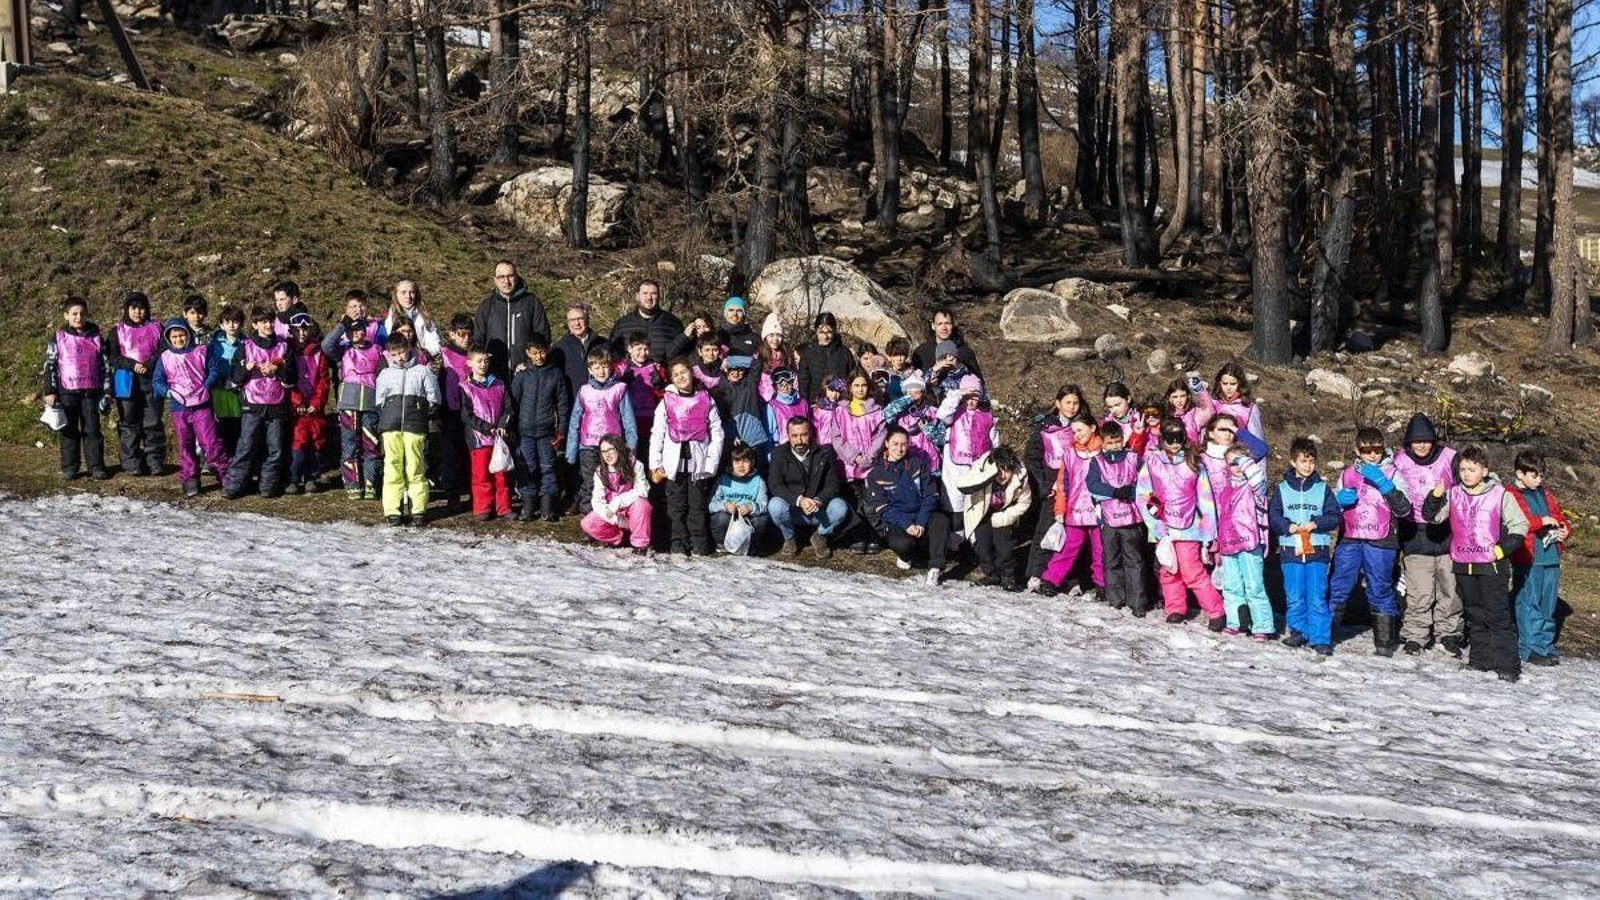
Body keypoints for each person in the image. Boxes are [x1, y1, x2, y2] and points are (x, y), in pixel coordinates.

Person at [1421, 445, 1531, 682]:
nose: (1467, 473)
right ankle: (1480, 660)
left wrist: (1502, 549)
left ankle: (1508, 665)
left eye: (1472, 469)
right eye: (1462, 469)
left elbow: (1520, 525)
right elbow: (1432, 516)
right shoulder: (1453, 493)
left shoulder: (1501, 494)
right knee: (1474, 615)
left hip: (1491, 566)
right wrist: (1436, 495)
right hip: (1463, 564)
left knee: (1497, 615)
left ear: (1485, 470)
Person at [1327, 427, 1412, 657]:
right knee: (1339, 585)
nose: (1373, 455)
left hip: (1381, 540)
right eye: (1367, 450)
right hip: (1351, 537)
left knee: (1380, 588)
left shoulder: (1394, 474)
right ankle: (1326, 634)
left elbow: (1405, 509)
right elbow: (1331, 510)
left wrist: (1385, 485)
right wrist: (1339, 500)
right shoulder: (1346, 474)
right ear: (1357, 450)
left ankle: (1385, 641)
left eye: (1377, 449)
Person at [1137, 418, 1224, 628]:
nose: (1175, 443)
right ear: (1162, 438)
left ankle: (1216, 611)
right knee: (1168, 568)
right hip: (1163, 527)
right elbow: (1142, 495)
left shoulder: (1193, 462)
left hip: (1189, 527)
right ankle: (1175, 607)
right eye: (1169, 438)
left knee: (1192, 570)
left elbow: (1205, 498)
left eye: (1179, 438)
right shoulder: (1153, 462)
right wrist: (1156, 526)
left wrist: (1207, 531)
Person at [1391, 413, 1462, 657]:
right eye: (1416, 441)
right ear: (1408, 442)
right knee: (1419, 591)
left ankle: (1448, 632)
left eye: (1426, 440)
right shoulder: (1398, 461)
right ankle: (1415, 635)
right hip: (1414, 533)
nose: (1421, 445)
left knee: (1449, 589)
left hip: (1446, 532)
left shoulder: (1450, 457)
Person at [1268, 437, 1343, 657]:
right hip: (1291, 552)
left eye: (1311, 461)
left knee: (1317, 595)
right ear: (1293, 462)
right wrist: (1286, 526)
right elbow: (1274, 516)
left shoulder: (1322, 489)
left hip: (1317, 552)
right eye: (1303, 461)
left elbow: (1334, 516)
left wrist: (1316, 523)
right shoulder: (1282, 489)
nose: (1307, 466)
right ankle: (1299, 631)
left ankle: (1320, 638)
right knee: (1294, 595)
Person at [650, 358, 725, 556]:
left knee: (697, 505)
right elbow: (657, 433)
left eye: (684, 372)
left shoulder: (705, 399)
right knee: (676, 506)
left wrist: (711, 462)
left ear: (691, 373)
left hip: (698, 463)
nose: (681, 377)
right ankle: (678, 543)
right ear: (672, 379)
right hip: (673, 463)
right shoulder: (666, 401)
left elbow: (717, 432)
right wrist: (655, 463)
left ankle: (699, 542)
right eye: (676, 374)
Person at [223, 306, 297, 499]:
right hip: (252, 404)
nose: (268, 325)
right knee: (245, 446)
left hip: (277, 404)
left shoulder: (284, 346)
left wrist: (277, 371)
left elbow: (292, 377)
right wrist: (245, 370)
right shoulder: (245, 347)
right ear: (255, 325)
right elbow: (234, 378)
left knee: (275, 449)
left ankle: (267, 485)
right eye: (263, 321)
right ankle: (234, 485)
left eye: (271, 321)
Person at [152, 318, 230, 498]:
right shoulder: (164, 358)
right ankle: (190, 478)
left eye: (182, 335)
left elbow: (214, 369)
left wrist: (207, 385)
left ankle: (224, 475)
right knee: (185, 443)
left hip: (201, 404)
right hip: (179, 407)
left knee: (211, 442)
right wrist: (167, 392)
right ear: (169, 338)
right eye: (174, 336)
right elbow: (157, 380)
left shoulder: (201, 350)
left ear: (188, 334)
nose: (179, 339)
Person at [1023, 385, 1092, 586]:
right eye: (1068, 402)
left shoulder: (1084, 425)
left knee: (1075, 534)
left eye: (1076, 403)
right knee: (1046, 530)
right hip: (1053, 488)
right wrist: (1044, 484)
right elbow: (1032, 457)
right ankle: (1036, 573)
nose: (1072, 407)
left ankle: (1071, 578)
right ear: (1058, 403)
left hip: (1079, 489)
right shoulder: (1045, 427)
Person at [866, 426, 950, 586]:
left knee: (941, 520)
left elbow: (930, 496)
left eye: (904, 444)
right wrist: (907, 524)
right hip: (898, 521)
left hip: (921, 516)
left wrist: (920, 522)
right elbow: (883, 508)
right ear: (886, 444)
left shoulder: (918, 465)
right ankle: (906, 556)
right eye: (895, 444)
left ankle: (935, 568)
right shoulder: (876, 474)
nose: (899, 449)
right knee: (903, 544)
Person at [1508, 451, 1570, 667]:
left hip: (1551, 556)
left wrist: (1564, 529)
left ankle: (1545, 644)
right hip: (1529, 557)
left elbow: (1559, 516)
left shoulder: (1544, 493)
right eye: (1534, 475)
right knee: (1529, 601)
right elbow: (1520, 521)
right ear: (1520, 473)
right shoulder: (1511, 493)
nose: (1538, 480)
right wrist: (1542, 521)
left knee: (1548, 604)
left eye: (1541, 475)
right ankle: (1529, 646)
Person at [41, 297, 111, 481]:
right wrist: (50, 391)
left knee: (93, 430)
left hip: (91, 393)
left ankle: (96, 466)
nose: (78, 317)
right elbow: (50, 364)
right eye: (74, 314)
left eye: (82, 313)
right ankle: (70, 467)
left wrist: (107, 390)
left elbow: (105, 364)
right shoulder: (58, 337)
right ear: (66, 316)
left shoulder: (96, 336)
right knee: (69, 431)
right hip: (66, 391)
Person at [374, 333, 440, 526]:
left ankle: (418, 508)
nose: (399, 358)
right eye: (394, 355)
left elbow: (434, 397)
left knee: (415, 466)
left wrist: (423, 412)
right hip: (391, 426)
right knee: (392, 466)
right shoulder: (385, 374)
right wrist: (386, 417)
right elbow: (379, 400)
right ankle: (392, 509)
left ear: (409, 349)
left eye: (401, 352)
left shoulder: (422, 371)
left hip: (414, 426)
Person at [1085, 421, 1149, 615]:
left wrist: (1132, 491)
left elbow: (1146, 482)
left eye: (1118, 441)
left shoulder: (1133, 458)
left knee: (1134, 561)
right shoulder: (1097, 462)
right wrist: (1114, 491)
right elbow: (1093, 486)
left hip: (1131, 520)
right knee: (1111, 560)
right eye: (1110, 443)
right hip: (1109, 519)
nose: (1115, 446)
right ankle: (1115, 599)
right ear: (1102, 443)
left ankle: (1137, 601)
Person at [1037, 414, 1105, 598]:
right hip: (1075, 511)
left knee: (1101, 551)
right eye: (1073, 431)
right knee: (1067, 548)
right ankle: (1050, 580)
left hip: (1100, 512)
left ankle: (1103, 585)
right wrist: (1060, 509)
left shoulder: (1104, 452)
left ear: (1092, 428)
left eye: (1080, 430)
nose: (1077, 435)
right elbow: (1062, 484)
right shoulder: (1070, 454)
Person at [566, 348, 639, 515]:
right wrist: (571, 450)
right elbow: (575, 421)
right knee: (590, 484)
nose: (601, 371)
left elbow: (628, 420)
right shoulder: (584, 391)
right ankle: (590, 519)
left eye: (605, 366)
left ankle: (610, 519)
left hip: (612, 446)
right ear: (590, 369)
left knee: (611, 483)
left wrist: (631, 447)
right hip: (589, 446)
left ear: (611, 367)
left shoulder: (620, 389)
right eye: (597, 367)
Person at [1214, 442, 1274, 640]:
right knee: (1232, 586)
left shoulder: (1255, 487)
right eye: (1232, 463)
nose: (1237, 467)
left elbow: (1257, 478)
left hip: (1250, 543)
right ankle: (1237, 622)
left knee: (1254, 585)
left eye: (1241, 461)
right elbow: (1221, 518)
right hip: (1229, 545)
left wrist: (1245, 461)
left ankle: (1262, 625)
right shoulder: (1224, 492)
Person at [322, 314, 386, 499]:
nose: (356, 333)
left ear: (366, 330)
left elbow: (383, 374)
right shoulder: (343, 350)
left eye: (359, 329)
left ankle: (371, 483)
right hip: (348, 403)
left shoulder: (377, 349)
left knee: (371, 445)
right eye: (352, 330)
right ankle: (352, 483)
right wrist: (342, 325)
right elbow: (326, 345)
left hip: (370, 403)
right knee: (350, 445)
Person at [767, 417, 850, 558]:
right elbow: (775, 485)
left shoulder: (824, 453)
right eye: (794, 436)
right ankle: (789, 538)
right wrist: (799, 500)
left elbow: (833, 485)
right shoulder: (778, 454)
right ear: (788, 436)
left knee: (840, 507)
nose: (799, 440)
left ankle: (820, 535)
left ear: (810, 433)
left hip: (818, 509)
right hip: (793, 509)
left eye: (803, 435)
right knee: (775, 505)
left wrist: (818, 500)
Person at [510, 332, 571, 522]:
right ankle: (528, 506)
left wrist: (561, 430)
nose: (539, 356)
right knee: (527, 468)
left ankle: (547, 506)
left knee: (548, 467)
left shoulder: (556, 374)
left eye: (542, 352)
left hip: (547, 432)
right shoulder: (521, 375)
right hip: (524, 431)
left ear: (548, 350)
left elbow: (562, 405)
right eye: (534, 353)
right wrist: (511, 428)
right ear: (528, 353)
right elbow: (512, 403)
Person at [955, 447, 1031, 592]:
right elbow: (962, 484)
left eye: (1007, 470)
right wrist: (988, 475)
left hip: (1004, 513)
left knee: (1004, 547)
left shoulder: (1020, 476)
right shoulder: (982, 466)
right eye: (999, 470)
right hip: (980, 512)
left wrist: (1005, 517)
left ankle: (1008, 577)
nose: (1002, 475)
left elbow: (1024, 502)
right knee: (982, 547)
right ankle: (991, 575)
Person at [110, 291, 166, 476]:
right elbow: (113, 356)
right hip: (127, 382)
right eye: (133, 308)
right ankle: (131, 461)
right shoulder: (117, 330)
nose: (137, 312)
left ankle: (154, 460)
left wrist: (149, 365)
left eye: (141, 308)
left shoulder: (158, 328)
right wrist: (132, 365)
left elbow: (164, 350)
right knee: (129, 422)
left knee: (153, 422)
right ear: (127, 310)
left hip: (151, 380)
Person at [460, 345, 513, 521]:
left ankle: (504, 508)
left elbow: (508, 408)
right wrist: (485, 427)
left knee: (501, 474)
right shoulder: (466, 387)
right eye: (479, 361)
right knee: (481, 475)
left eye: (486, 361)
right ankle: (483, 507)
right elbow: (467, 415)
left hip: (498, 439)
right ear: (470, 363)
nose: (483, 364)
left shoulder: (499, 384)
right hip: (479, 439)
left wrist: (502, 424)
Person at [835, 372, 887, 554]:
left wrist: (869, 456)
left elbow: (881, 435)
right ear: (849, 387)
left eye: (863, 385)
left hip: (870, 464)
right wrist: (854, 456)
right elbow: (837, 437)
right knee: (854, 502)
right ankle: (856, 536)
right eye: (856, 385)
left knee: (871, 502)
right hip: (849, 465)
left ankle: (874, 536)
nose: (860, 389)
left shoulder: (876, 409)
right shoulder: (841, 409)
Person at [474, 259, 551, 379]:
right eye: (501, 277)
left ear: (516, 276)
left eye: (510, 276)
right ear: (495, 280)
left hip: (527, 375)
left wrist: (529, 364)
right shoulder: (486, 306)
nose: (506, 281)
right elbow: (477, 342)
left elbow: (543, 337)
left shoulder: (532, 303)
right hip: (495, 377)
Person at [939, 374, 997, 528]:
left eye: (975, 397)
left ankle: (974, 540)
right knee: (956, 504)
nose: (970, 401)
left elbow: (995, 442)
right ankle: (955, 541)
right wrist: (958, 394)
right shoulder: (953, 414)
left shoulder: (987, 417)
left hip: (978, 467)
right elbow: (942, 414)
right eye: (967, 397)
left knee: (976, 504)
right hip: (955, 467)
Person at [581, 433, 653, 553]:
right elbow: (597, 501)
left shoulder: (635, 465)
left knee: (642, 504)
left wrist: (619, 501)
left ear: (619, 449)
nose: (607, 454)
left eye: (610, 449)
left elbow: (642, 490)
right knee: (588, 523)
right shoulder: (600, 472)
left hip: (631, 509)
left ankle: (640, 545)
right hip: (613, 513)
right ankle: (618, 538)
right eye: (603, 451)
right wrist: (617, 520)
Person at [286, 312, 331, 495]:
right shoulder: (287, 350)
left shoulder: (318, 352)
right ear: (292, 331)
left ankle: (312, 476)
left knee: (316, 441)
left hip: (314, 407)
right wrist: (297, 402)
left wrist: (317, 402)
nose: (302, 333)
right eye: (298, 330)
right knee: (298, 442)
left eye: (305, 329)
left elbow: (323, 380)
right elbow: (286, 380)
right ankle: (294, 478)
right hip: (297, 407)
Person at [437, 314, 476, 509]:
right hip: (450, 411)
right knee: (451, 456)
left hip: (472, 414)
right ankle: (452, 495)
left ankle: (473, 493)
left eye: (469, 333)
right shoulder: (444, 354)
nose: (465, 338)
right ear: (452, 334)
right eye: (461, 333)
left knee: (470, 455)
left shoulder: (475, 355)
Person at [709, 443, 770, 554]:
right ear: (732, 463)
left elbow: (765, 505)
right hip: (730, 517)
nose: (741, 465)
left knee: (761, 519)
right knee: (720, 518)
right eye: (737, 461)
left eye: (745, 461)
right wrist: (725, 505)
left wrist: (751, 507)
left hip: (748, 518)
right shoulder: (724, 479)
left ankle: (752, 546)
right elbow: (711, 504)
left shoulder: (758, 481)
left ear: (752, 463)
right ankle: (722, 544)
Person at [711, 355, 771, 469]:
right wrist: (731, 436)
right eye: (731, 369)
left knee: (757, 472)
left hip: (754, 440)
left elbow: (757, 364)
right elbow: (720, 419)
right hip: (733, 442)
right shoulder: (720, 391)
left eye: (739, 369)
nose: (735, 373)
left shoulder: (750, 384)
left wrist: (731, 361)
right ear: (725, 370)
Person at [610, 279, 688, 363]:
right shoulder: (623, 324)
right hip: (630, 375)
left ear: (659, 296)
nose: (649, 298)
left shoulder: (673, 323)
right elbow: (613, 354)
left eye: (653, 294)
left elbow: (684, 354)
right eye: (645, 293)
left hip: (664, 374)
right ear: (637, 296)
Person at [614, 331, 666, 456]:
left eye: (646, 349)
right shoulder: (621, 368)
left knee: (649, 453)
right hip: (629, 419)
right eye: (639, 349)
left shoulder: (656, 368)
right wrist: (621, 381)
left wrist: (659, 386)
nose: (643, 353)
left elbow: (666, 395)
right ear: (630, 348)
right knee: (630, 454)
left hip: (651, 418)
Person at [882, 373, 944, 473]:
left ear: (922, 393)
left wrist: (928, 428)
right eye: (909, 392)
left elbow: (941, 440)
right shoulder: (899, 413)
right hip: (905, 464)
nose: (914, 395)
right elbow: (885, 415)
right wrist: (909, 398)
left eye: (917, 391)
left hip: (931, 464)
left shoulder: (933, 411)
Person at [208, 306, 246, 458]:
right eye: (227, 322)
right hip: (221, 387)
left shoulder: (247, 343)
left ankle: (239, 458)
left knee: (240, 424)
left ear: (241, 324)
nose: (231, 325)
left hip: (241, 388)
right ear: (221, 324)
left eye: (235, 321)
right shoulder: (213, 344)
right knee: (224, 424)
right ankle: (226, 458)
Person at [552, 303, 609, 402]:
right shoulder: (559, 348)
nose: (577, 323)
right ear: (568, 323)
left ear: (587, 319)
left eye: (580, 318)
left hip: (602, 403)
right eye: (572, 320)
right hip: (573, 404)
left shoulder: (604, 344)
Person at [796, 312, 856, 401]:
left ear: (834, 331)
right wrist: (805, 403)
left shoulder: (844, 352)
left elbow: (852, 377)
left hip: (840, 402)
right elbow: (803, 381)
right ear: (816, 331)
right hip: (816, 403)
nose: (825, 336)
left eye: (829, 332)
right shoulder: (808, 353)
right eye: (821, 332)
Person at [1200, 361, 1265, 442]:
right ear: (1220, 383)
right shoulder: (1212, 404)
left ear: (1240, 384)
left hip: (1237, 452)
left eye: (1233, 384)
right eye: (1225, 383)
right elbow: (1202, 433)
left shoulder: (1250, 409)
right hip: (1212, 451)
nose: (1228, 388)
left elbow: (1257, 440)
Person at [910, 308, 982, 376]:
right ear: (933, 326)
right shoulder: (921, 352)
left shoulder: (965, 353)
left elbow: (978, 383)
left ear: (953, 325)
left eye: (947, 323)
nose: (944, 328)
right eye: (940, 324)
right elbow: (912, 383)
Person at [384, 278, 441, 356]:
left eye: (412, 292)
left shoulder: (425, 317)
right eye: (403, 292)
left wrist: (421, 355)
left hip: (422, 360)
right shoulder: (390, 318)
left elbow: (435, 345)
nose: (408, 296)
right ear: (396, 294)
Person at [765, 368, 810, 444]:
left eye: (788, 384)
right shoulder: (772, 406)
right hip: (783, 448)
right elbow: (769, 433)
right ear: (775, 387)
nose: (785, 388)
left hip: (803, 445)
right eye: (781, 385)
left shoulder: (802, 403)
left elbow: (809, 426)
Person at [1101, 382, 1145, 455]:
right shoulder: (1106, 423)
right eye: (1110, 407)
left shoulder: (1140, 419)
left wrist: (1138, 434)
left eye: (1117, 405)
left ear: (1128, 399)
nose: (1114, 410)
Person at [882, 336, 913, 402]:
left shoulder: (913, 373)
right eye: (895, 355)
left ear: (906, 356)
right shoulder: (885, 376)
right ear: (889, 357)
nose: (899, 359)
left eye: (902, 355)